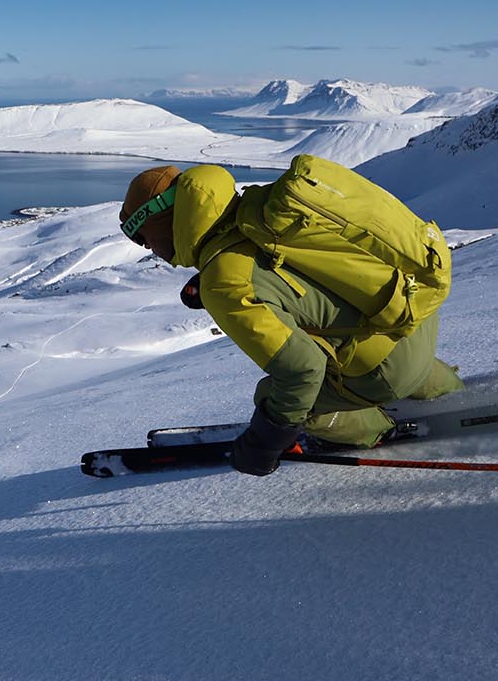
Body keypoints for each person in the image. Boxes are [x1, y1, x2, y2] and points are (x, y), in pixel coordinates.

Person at [119, 164, 464, 477]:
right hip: (414, 317)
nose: (147, 247)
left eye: (141, 236)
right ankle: (448, 389)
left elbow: (302, 371)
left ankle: (375, 428)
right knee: (358, 338)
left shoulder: (225, 283)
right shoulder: (258, 209)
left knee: (274, 394)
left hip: (386, 373)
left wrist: (266, 441)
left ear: (160, 221)